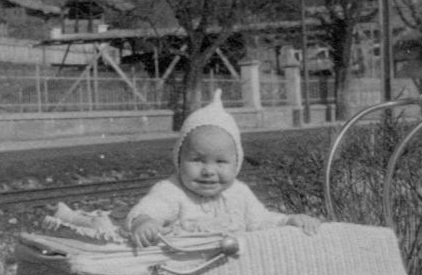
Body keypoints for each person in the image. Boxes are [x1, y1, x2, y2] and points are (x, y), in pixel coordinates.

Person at [127, 89, 320, 247]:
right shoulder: (172, 191)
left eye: (220, 162)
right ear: (179, 159)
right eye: (197, 160)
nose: (209, 171)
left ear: (236, 164)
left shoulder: (239, 192)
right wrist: (144, 221)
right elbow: (151, 207)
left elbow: (260, 221)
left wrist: (286, 221)